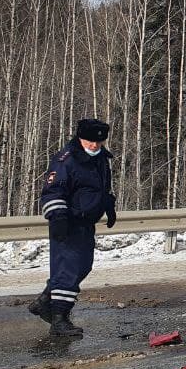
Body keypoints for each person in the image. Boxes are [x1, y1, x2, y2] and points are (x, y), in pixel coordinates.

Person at [28, 119, 116, 336]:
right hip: (67, 222)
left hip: (86, 223)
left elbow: (99, 189)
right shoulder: (66, 160)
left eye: (99, 141)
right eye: (90, 141)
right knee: (68, 270)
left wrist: (108, 206)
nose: (94, 146)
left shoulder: (101, 159)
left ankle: (44, 302)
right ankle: (60, 319)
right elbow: (52, 190)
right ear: (80, 137)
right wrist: (57, 218)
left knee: (82, 266)